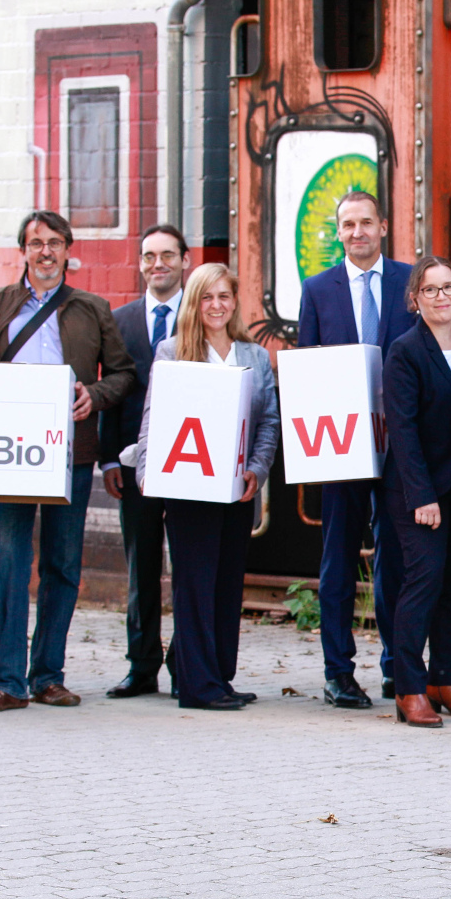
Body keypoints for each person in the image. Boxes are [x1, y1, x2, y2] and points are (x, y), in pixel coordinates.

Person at [0, 211, 136, 713]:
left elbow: (122, 374)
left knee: (62, 564)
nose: (46, 252)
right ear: (24, 251)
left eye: (54, 243)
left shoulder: (92, 308)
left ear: (67, 250)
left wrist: (93, 396)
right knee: (10, 562)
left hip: (70, 450)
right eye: (36, 244)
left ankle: (48, 675)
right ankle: (7, 680)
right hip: (9, 451)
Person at [132, 264, 279, 711]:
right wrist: (145, 470)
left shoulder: (253, 354)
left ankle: (217, 674)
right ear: (195, 303)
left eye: (224, 296)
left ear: (234, 302)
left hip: (236, 487)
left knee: (226, 582)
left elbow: (268, 420)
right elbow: (154, 415)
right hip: (187, 484)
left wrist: (257, 468)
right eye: (207, 297)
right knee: (194, 584)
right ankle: (197, 687)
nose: (216, 305)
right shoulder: (173, 351)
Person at [295, 192, 413, 708]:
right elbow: (307, 369)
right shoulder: (317, 290)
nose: (358, 231)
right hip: (339, 442)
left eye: (367, 222)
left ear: (383, 226)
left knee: (398, 560)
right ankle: (337, 672)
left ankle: (396, 664)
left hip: (398, 443)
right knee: (338, 560)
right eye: (348, 224)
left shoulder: (410, 281)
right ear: (338, 233)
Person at [381, 257, 451, 727]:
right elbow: (402, 432)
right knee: (423, 582)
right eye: (431, 290)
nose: (442, 296)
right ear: (415, 299)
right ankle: (409, 687)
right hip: (422, 491)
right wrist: (422, 496)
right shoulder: (405, 352)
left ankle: (444, 680)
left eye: (449, 287)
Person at [100, 224, 188, 699]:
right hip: (135, 464)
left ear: (184, 261)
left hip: (192, 463)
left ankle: (184, 662)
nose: (158, 264)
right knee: (142, 567)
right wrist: (109, 460)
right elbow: (114, 391)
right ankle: (141, 665)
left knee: (188, 566)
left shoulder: (199, 315)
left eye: (168, 255)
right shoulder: (120, 320)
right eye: (150, 256)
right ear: (139, 263)